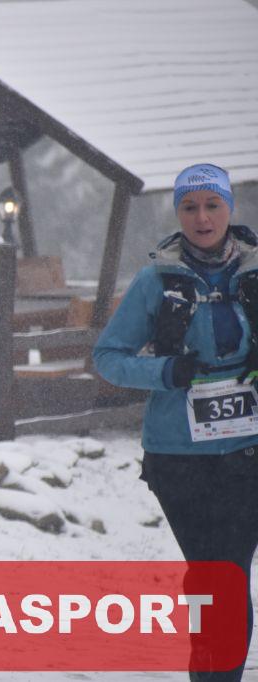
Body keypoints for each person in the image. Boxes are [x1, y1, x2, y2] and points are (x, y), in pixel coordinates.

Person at [94, 163, 256, 681]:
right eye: (190, 207)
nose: (202, 217)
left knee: (228, 573)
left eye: (212, 205)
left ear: (230, 208)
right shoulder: (156, 280)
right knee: (210, 577)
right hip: (179, 457)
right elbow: (108, 358)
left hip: (248, 453)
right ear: (178, 213)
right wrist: (167, 371)